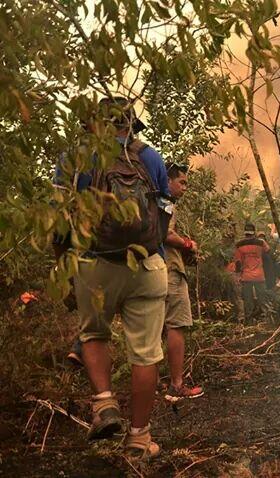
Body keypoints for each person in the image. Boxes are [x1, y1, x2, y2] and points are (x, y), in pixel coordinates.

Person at [56, 96, 170, 459]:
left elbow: (59, 221)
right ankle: (139, 438)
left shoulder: (75, 159)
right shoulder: (150, 157)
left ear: (94, 125)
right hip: (147, 266)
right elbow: (164, 214)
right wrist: (154, 252)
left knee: (93, 333)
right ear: (130, 124)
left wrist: (63, 265)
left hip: (95, 262)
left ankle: (104, 404)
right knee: (146, 354)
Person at [162, 161, 204, 402]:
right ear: (168, 180)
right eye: (182, 182)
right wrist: (188, 244)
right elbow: (165, 233)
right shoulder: (165, 202)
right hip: (170, 272)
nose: (185, 188)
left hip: (153, 271)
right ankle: (176, 385)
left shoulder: (150, 201)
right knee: (176, 325)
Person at [233, 223, 270, 321]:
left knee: (248, 299)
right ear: (254, 232)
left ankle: (249, 319)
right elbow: (268, 251)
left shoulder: (239, 244)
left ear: (245, 232)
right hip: (259, 275)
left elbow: (238, 262)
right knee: (262, 297)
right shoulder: (261, 242)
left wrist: (238, 276)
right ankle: (265, 318)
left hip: (246, 276)